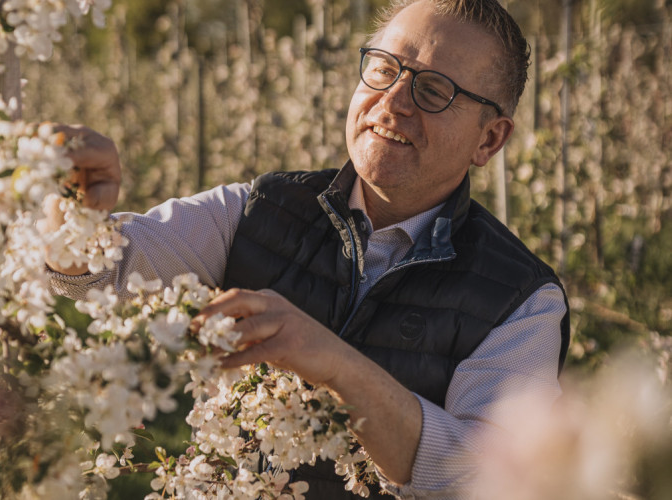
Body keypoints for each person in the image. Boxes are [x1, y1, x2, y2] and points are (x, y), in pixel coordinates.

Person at [45, 0, 570, 498]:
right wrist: (76, 215)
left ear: (489, 140)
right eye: (385, 69)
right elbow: (97, 273)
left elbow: (485, 477)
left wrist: (336, 367)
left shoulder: (523, 301)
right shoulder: (258, 209)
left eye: (434, 91)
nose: (392, 103)